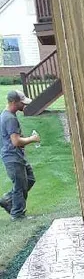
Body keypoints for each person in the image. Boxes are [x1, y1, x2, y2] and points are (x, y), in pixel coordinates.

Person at [0, 90, 39, 221]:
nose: (24, 105)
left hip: (15, 155)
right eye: (22, 103)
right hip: (12, 156)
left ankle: (8, 199)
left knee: (29, 179)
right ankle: (17, 214)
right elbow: (16, 141)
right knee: (20, 186)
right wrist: (32, 139)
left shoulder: (7, 115)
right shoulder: (10, 118)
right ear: (14, 102)